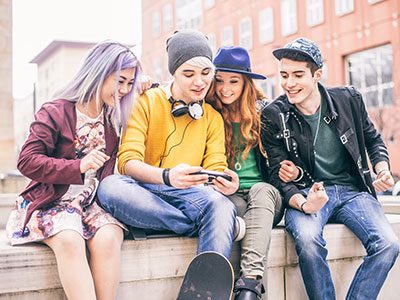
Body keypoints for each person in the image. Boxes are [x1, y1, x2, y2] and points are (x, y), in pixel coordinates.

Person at [261, 37, 399, 300]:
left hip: (352, 191)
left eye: (298, 75)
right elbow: (276, 174)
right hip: (307, 194)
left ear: (318, 75)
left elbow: (372, 138)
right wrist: (303, 203)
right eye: (284, 75)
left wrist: (381, 169)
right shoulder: (273, 115)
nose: (289, 83)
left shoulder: (348, 99)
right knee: (309, 242)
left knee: (388, 244)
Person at [6, 41, 141, 300]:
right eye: (120, 81)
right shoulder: (55, 111)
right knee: (70, 239)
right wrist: (78, 165)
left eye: (129, 83)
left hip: (92, 204)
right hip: (50, 201)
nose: (124, 90)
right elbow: (27, 161)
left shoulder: (113, 119)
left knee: (109, 237)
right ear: (99, 72)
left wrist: (143, 85)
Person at [97, 29, 243, 260]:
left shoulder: (213, 117)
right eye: (188, 74)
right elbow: (127, 162)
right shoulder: (145, 101)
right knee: (110, 188)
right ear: (173, 73)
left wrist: (224, 182)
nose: (199, 82)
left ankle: (206, 289)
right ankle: (206, 225)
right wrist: (167, 177)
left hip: (189, 193)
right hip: (144, 189)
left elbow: (215, 167)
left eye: (206, 73)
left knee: (221, 204)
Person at [206, 46, 297, 300]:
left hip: (267, 198)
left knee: (261, 190)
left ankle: (248, 284)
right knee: (232, 211)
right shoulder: (207, 113)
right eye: (219, 80)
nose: (225, 88)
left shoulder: (265, 113)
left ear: (246, 83)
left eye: (233, 81)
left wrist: (291, 172)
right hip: (230, 197)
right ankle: (250, 288)